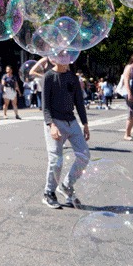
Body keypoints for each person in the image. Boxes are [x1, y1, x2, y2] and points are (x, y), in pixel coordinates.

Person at [41, 57, 90, 209]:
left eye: (66, 56)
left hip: (71, 121)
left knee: (84, 155)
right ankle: (49, 192)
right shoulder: (49, 76)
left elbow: (79, 102)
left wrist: (85, 124)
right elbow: (45, 105)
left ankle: (66, 185)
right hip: (55, 121)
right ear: (53, 59)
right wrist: (51, 125)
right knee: (56, 159)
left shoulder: (73, 77)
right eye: (60, 55)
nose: (64, 59)